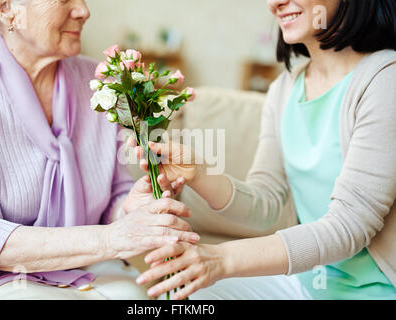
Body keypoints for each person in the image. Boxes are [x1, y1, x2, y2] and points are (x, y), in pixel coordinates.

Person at [134, 0, 396, 300]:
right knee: (184, 298)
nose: (275, 3)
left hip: (376, 291)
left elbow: (349, 225)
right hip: (305, 284)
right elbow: (266, 204)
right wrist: (199, 172)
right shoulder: (285, 88)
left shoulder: (386, 79)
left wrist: (221, 260)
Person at [0, 0, 199, 300]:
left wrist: (130, 208)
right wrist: (113, 239)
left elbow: (114, 195)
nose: (83, 10)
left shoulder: (99, 81)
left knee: (137, 298)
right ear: (6, 8)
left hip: (81, 266)